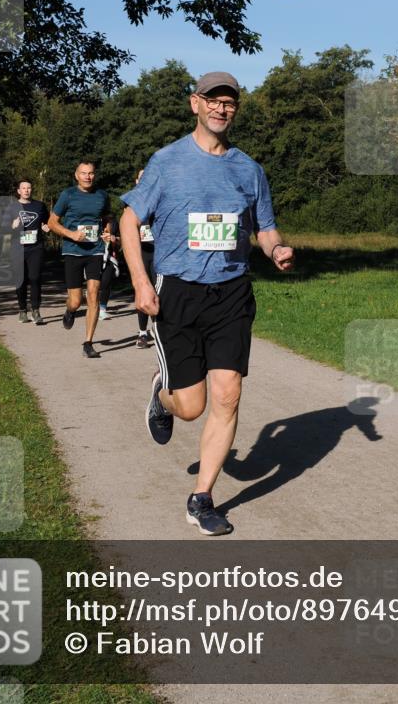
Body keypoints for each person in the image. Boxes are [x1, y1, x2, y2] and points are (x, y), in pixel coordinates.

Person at [121, 71, 294, 536]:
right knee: (192, 407)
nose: (221, 108)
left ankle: (202, 498)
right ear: (194, 104)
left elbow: (265, 227)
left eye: (230, 103)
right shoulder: (167, 161)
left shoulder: (248, 169)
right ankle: (163, 395)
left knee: (228, 395)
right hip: (178, 292)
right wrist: (141, 282)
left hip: (232, 293)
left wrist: (276, 249)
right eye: (213, 100)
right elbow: (128, 219)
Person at [48, 161, 112, 359]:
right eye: (83, 173)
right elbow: (52, 222)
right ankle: (69, 311)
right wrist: (71, 234)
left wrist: (108, 231)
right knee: (76, 300)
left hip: (95, 250)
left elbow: (108, 217)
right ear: (76, 175)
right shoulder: (68, 195)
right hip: (73, 251)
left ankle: (88, 343)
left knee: (93, 294)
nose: (88, 177)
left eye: (91, 173)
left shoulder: (102, 195)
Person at [6, 180, 50, 325]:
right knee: (21, 280)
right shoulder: (11, 207)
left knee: (35, 277)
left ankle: (36, 311)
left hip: (35, 248)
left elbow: (48, 222)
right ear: (18, 191)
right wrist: (12, 226)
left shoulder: (40, 206)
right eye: (23, 188)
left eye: (29, 188)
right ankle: (22, 310)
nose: (26, 190)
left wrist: (47, 227)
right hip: (17, 248)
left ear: (32, 190)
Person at [133, 169, 156, 348]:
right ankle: (142, 333)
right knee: (142, 290)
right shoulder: (132, 201)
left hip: (158, 252)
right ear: (136, 181)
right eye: (141, 177)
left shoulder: (159, 198)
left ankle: (158, 329)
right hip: (141, 253)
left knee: (160, 291)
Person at [99, 215, 121, 320]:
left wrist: (114, 239)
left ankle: (102, 309)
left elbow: (121, 239)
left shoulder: (114, 222)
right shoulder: (93, 220)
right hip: (95, 256)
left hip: (110, 258)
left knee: (106, 283)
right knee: (94, 284)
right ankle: (93, 306)